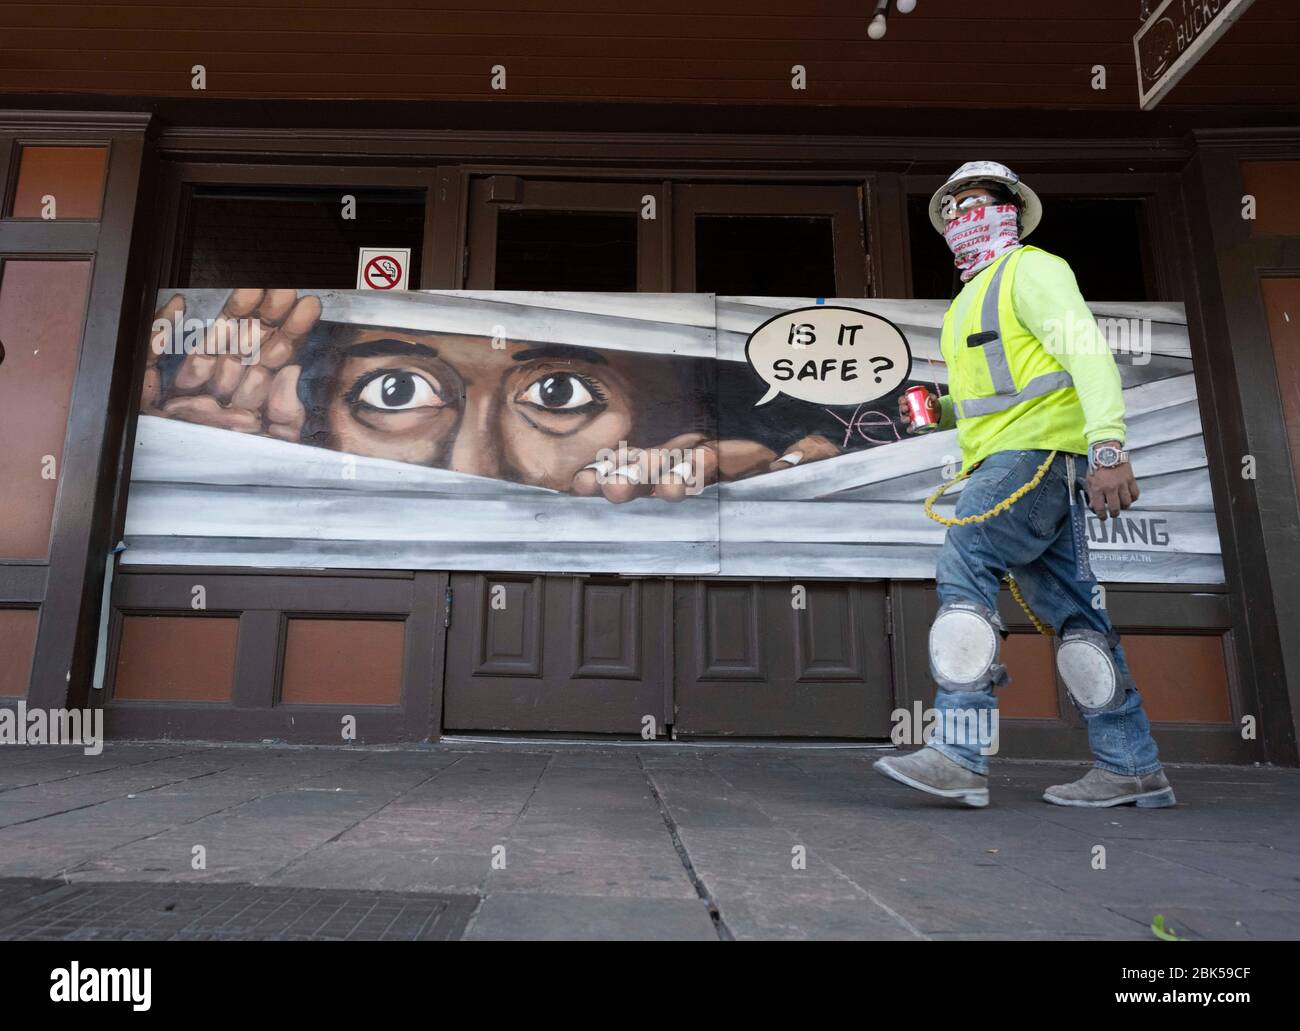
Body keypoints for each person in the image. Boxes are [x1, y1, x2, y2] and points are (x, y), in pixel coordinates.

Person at [873, 161, 1175, 809]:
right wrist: (944, 409)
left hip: (1033, 455)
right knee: (1077, 618)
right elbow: (1000, 393)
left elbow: (1087, 351)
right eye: (950, 209)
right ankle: (1131, 765)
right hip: (1022, 460)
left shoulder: (1032, 269)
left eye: (975, 201)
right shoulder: (964, 304)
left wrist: (1110, 447)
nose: (961, 216)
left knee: (965, 561)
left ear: (1010, 209)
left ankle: (959, 751)